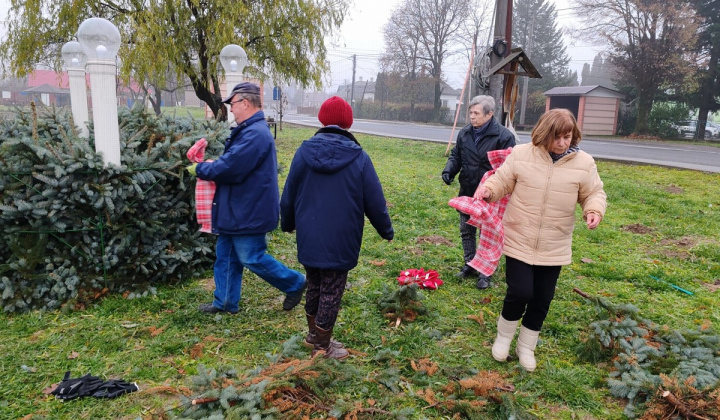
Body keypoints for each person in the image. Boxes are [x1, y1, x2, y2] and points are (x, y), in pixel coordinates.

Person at [474, 108, 606, 372]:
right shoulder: (521, 154)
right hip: (519, 237)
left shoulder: (584, 162)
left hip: (554, 242)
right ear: (544, 134)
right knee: (520, 291)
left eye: (567, 137)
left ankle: (526, 347)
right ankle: (504, 338)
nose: (562, 143)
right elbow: (502, 181)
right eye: (556, 137)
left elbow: (594, 192)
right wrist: (489, 190)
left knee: (542, 298)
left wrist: (593, 210)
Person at [280, 96, 394, 359]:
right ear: (348, 123)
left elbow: (288, 194)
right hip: (342, 238)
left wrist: (287, 224)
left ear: (322, 119)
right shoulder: (359, 157)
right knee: (332, 289)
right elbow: (375, 201)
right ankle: (322, 346)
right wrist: (386, 230)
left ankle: (313, 335)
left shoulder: (303, 152)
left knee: (315, 283)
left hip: (309, 235)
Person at [186, 82, 306, 314]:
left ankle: (294, 282)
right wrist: (212, 165)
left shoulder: (255, 134)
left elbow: (231, 168)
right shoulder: (249, 131)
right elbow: (233, 163)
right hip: (238, 208)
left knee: (251, 256)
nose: (231, 109)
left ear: (246, 102)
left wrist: (200, 169)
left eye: (233, 104)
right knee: (227, 256)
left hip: (249, 210)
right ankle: (225, 303)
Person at [442, 95, 515, 289]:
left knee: (487, 233)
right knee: (466, 230)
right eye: (470, 113)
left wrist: (492, 188)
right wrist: (449, 170)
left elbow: (508, 168)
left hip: (490, 195)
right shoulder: (465, 133)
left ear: (489, 114)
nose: (472, 117)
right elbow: (457, 154)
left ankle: (485, 272)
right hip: (467, 189)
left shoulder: (503, 136)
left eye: (476, 113)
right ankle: (470, 264)